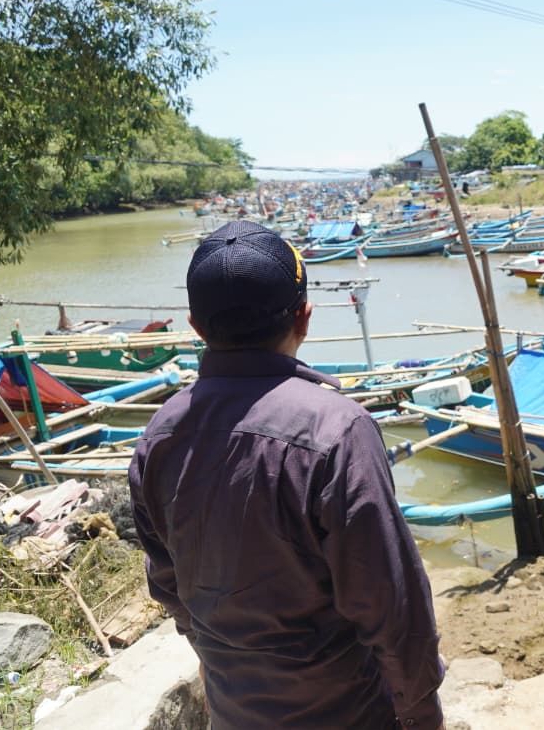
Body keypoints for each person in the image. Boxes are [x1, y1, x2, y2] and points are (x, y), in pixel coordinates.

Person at [129, 220, 443, 729]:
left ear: (195, 326)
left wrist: (215, 656)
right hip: (347, 713)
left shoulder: (159, 435)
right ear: (304, 317)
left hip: (235, 711)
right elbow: (393, 605)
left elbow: (168, 583)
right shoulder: (338, 430)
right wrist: (422, 713)